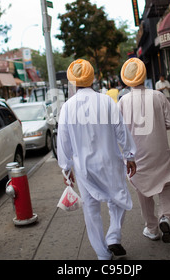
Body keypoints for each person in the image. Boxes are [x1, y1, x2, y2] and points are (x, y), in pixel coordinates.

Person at [57, 59, 137, 260]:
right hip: (110, 162)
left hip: (84, 168)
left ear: (72, 81)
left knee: (91, 210)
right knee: (118, 199)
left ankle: (102, 254)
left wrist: (66, 169)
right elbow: (121, 131)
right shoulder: (106, 101)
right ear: (93, 78)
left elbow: (63, 141)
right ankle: (113, 236)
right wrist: (130, 156)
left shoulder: (67, 107)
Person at [118, 58, 170, 243]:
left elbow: (118, 132)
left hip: (136, 156)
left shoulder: (123, 101)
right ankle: (165, 216)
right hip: (159, 152)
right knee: (167, 184)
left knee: (143, 192)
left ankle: (151, 228)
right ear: (144, 75)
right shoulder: (158, 96)